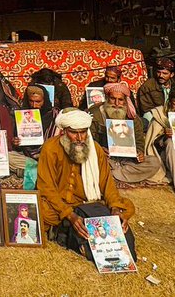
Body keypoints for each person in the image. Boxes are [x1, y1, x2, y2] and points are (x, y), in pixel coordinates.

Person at [37, 110, 137, 263]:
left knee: (124, 211)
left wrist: (115, 208)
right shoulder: (50, 148)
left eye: (83, 132)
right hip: (60, 206)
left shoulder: (95, 149)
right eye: (74, 133)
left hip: (89, 204)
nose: (79, 138)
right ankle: (65, 232)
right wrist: (69, 215)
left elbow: (107, 184)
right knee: (39, 211)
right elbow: (46, 188)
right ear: (64, 131)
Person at [88, 82, 161, 185]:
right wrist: (99, 149)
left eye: (120, 100)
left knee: (154, 163)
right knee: (91, 162)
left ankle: (112, 175)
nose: (117, 103)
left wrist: (139, 152)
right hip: (106, 159)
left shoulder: (132, 116)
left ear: (125, 101)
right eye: (113, 99)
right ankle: (120, 175)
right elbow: (88, 138)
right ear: (107, 98)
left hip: (127, 159)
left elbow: (139, 140)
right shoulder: (95, 113)